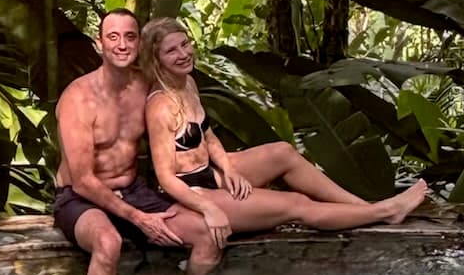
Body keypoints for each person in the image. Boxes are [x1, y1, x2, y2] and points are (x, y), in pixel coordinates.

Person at [138, 16, 430, 258]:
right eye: (171, 51)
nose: (183, 54)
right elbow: (166, 178)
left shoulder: (188, 83)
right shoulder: (160, 106)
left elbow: (208, 135)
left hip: (211, 172)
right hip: (191, 192)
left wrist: (227, 168)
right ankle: (386, 211)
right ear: (157, 60)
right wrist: (209, 208)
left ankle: (364, 209)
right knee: (296, 204)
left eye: (185, 44)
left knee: (283, 152)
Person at [54, 8, 224, 275]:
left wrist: (222, 172)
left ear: (139, 44)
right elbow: (83, 180)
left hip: (133, 191)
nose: (121, 45)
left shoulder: (146, 86)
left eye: (129, 37)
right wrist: (138, 218)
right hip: (80, 198)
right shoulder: (79, 98)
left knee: (207, 233)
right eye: (113, 37)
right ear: (99, 43)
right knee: (108, 242)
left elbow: (186, 112)